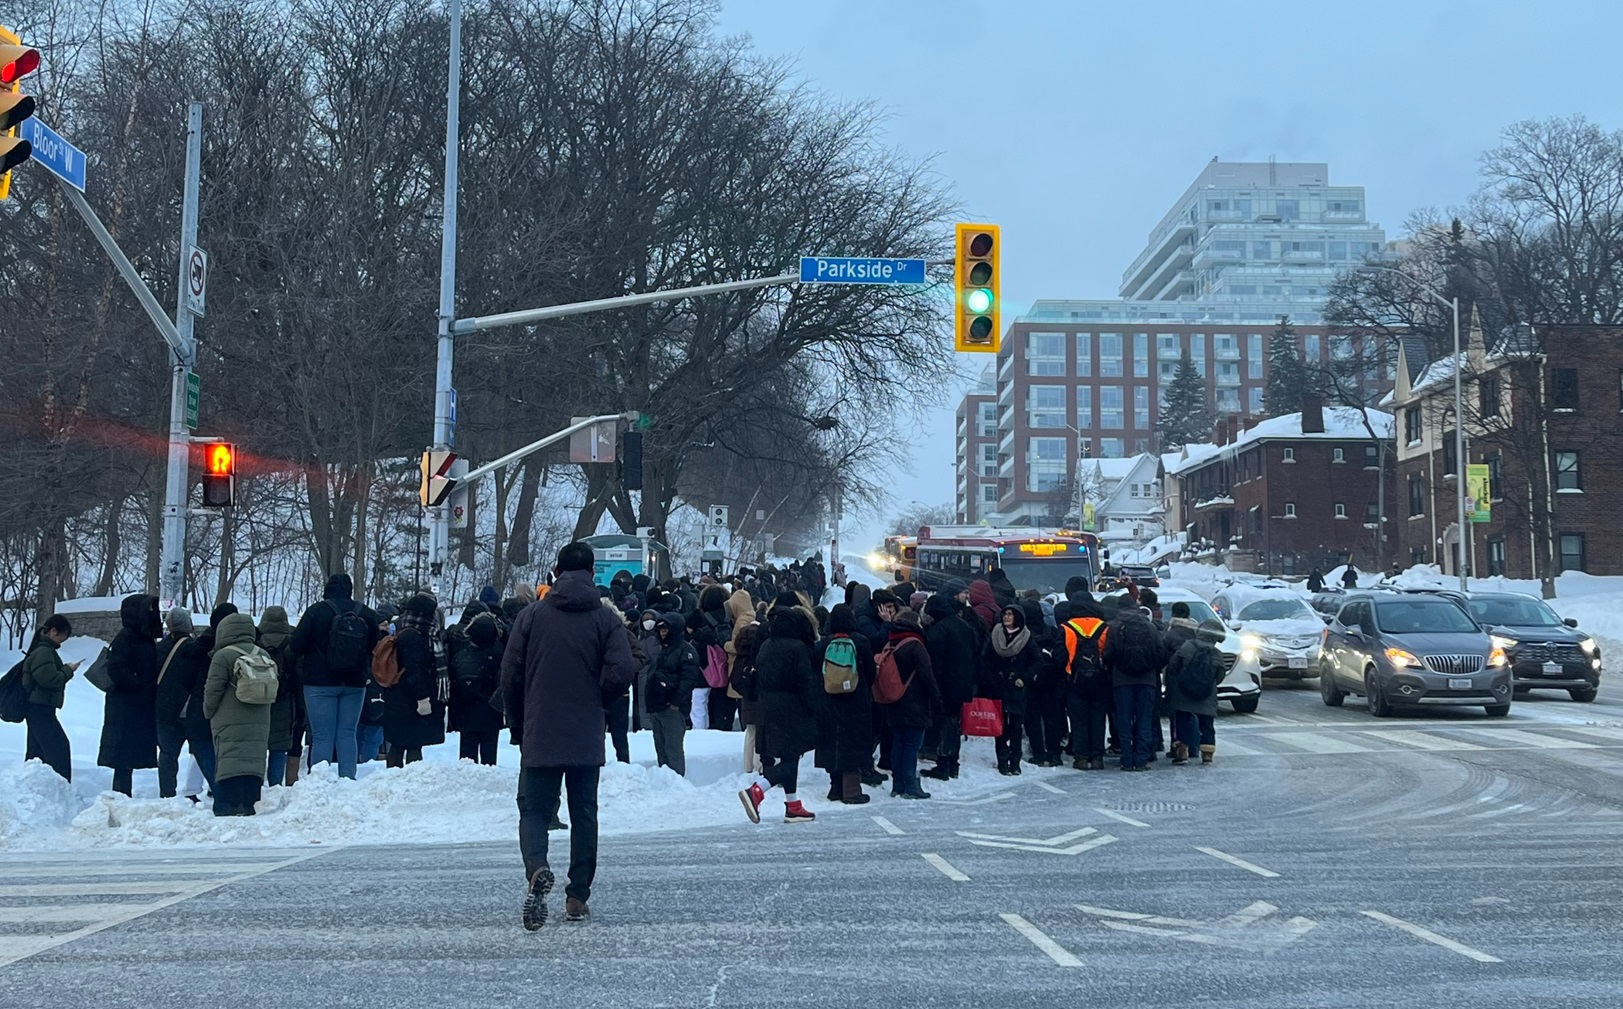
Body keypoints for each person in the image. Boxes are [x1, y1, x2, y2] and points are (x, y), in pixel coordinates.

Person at [501, 541, 638, 929]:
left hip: (540, 727)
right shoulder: (606, 620)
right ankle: (577, 896)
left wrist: (518, 721)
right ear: (593, 573)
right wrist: (600, 697)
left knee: (533, 809)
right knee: (584, 813)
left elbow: (510, 674)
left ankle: (537, 868)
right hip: (585, 731)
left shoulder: (531, 616)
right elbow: (623, 669)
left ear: (556, 571)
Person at [739, 593, 820, 824]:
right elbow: (806, 682)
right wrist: (813, 708)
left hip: (769, 706)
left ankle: (793, 805)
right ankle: (757, 791)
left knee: (787, 756)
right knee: (790, 758)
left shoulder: (767, 644)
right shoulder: (798, 648)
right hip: (793, 708)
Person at [291, 573, 380, 779]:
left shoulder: (316, 611)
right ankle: (348, 779)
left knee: (322, 736)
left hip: (319, 683)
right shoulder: (365, 613)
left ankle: (319, 783)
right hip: (355, 683)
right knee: (347, 733)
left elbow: (297, 644)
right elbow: (373, 645)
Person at [203, 611, 273, 816]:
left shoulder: (223, 655)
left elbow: (213, 689)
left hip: (228, 717)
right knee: (254, 757)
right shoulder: (263, 654)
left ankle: (230, 804)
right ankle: (250, 802)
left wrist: (208, 711)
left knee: (229, 757)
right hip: (260, 717)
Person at [98, 594, 163, 796]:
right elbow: (116, 670)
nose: (153, 614)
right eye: (149, 610)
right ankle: (120, 794)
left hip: (139, 706)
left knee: (131, 752)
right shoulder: (126, 637)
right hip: (125, 707)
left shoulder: (144, 638)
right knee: (123, 755)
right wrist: (138, 684)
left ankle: (123, 794)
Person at [813, 603, 875, 805]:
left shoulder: (823, 643)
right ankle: (851, 790)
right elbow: (871, 673)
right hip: (855, 701)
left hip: (828, 702)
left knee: (832, 742)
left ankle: (835, 787)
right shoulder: (861, 641)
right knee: (854, 742)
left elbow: (817, 672)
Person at [1103, 599, 1168, 771]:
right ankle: (1141, 760)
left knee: (1124, 721)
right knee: (1144, 720)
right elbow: (1161, 654)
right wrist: (1151, 669)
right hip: (1146, 681)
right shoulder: (1150, 627)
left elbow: (1108, 654)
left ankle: (1126, 759)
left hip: (1121, 682)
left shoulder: (1115, 627)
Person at [384, 593, 447, 768]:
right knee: (409, 743)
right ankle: (403, 780)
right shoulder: (414, 636)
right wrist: (422, 698)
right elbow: (414, 670)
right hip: (409, 698)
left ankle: (399, 779)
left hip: (401, 698)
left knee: (406, 742)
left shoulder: (410, 631)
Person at [882, 608, 940, 797]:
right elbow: (926, 675)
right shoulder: (915, 645)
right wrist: (936, 698)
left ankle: (897, 785)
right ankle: (910, 786)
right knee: (912, 745)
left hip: (894, 700)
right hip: (915, 702)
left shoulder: (892, 642)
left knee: (899, 742)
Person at [921, 591, 978, 781]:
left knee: (944, 724)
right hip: (962, 684)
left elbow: (934, 663)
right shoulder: (964, 626)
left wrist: (932, 689)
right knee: (954, 724)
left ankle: (943, 765)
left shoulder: (939, 629)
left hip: (945, 685)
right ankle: (954, 764)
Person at [155, 608, 212, 798]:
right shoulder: (195, 649)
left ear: (169, 625)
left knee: (167, 754)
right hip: (190, 710)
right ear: (189, 625)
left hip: (164, 710)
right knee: (200, 751)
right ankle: (203, 789)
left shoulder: (159, 648)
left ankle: (167, 794)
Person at [1058, 579, 1110, 771]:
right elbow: (1109, 654)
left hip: (1075, 681)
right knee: (1097, 719)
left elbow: (1060, 656)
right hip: (1100, 680)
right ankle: (1097, 758)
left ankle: (1081, 757)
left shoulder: (1066, 628)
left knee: (1078, 720)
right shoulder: (1104, 627)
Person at [21, 614, 78, 782]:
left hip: (36, 707)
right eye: (63, 637)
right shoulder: (44, 652)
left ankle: (31, 785)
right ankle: (61, 788)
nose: (62, 641)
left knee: (36, 752)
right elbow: (49, 680)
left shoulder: (41, 650)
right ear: (54, 632)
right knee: (58, 748)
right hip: (41, 708)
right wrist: (68, 670)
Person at [985, 604, 1038, 776]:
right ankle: (1002, 761)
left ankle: (1015, 762)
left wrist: (1025, 678)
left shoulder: (1026, 637)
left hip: (1017, 688)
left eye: (1010, 615)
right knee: (999, 727)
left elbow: (1037, 661)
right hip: (999, 687)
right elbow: (985, 659)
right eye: (1005, 614)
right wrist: (992, 679)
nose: (1007, 617)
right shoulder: (995, 634)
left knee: (1016, 726)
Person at [644, 614, 701, 775]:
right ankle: (665, 779)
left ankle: (676, 781)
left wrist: (676, 702)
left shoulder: (686, 651)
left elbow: (688, 680)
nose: (662, 632)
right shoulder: (662, 650)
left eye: (666, 629)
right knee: (661, 748)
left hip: (673, 708)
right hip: (657, 707)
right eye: (660, 629)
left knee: (673, 749)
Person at [1166, 619, 1224, 765]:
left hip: (1183, 693)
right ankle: (1207, 755)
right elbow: (1220, 676)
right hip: (1206, 696)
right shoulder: (1217, 653)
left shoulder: (1187, 646)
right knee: (1207, 725)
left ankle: (1182, 752)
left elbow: (1173, 667)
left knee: (1182, 721)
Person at [450, 612, 505, 765]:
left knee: (467, 757)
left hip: (465, 712)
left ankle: (466, 781)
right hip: (490, 711)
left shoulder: (462, 653)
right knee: (489, 756)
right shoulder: (499, 653)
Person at [257, 606, 302, 786]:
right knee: (279, 745)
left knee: (258, 743)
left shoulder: (255, 640)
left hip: (258, 698)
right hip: (285, 699)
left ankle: (257, 783)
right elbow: (299, 675)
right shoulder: (293, 643)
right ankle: (275, 785)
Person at [723, 589, 761, 772]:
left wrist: (725, 645)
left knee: (752, 729)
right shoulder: (749, 617)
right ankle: (753, 765)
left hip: (743, 674)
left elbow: (739, 645)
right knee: (752, 727)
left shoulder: (744, 620)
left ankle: (751, 766)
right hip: (748, 677)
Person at [689, 585, 735, 731]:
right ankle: (723, 727)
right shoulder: (731, 618)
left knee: (700, 701)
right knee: (723, 700)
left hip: (704, 665)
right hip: (726, 664)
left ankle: (701, 732)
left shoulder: (700, 618)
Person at [357, 603, 395, 764]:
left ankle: (354, 763)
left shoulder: (362, 637)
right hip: (379, 691)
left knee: (357, 731)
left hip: (360, 687)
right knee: (374, 734)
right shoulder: (389, 642)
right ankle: (368, 765)